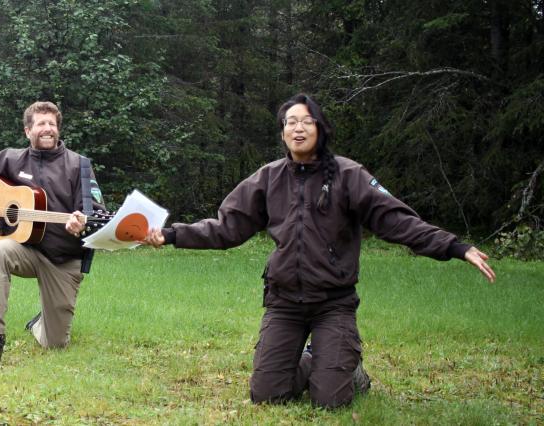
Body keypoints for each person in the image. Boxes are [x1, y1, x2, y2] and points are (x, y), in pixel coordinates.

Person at [142, 93, 496, 409]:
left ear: (320, 129)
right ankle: (315, 358)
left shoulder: (349, 175)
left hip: (333, 303)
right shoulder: (267, 178)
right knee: (266, 395)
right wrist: (172, 235)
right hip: (283, 302)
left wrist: (454, 246)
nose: (298, 128)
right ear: (283, 132)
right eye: (290, 122)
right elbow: (225, 227)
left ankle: (349, 369)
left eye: (306, 121)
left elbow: (396, 220)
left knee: (330, 400)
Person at [0, 101, 105, 362]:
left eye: (52, 124)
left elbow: (98, 214)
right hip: (24, 250)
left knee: (54, 344)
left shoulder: (79, 165)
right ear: (28, 131)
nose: (48, 129)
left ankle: (40, 322)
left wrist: (82, 223)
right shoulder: (12, 158)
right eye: (41, 124)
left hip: (63, 259)